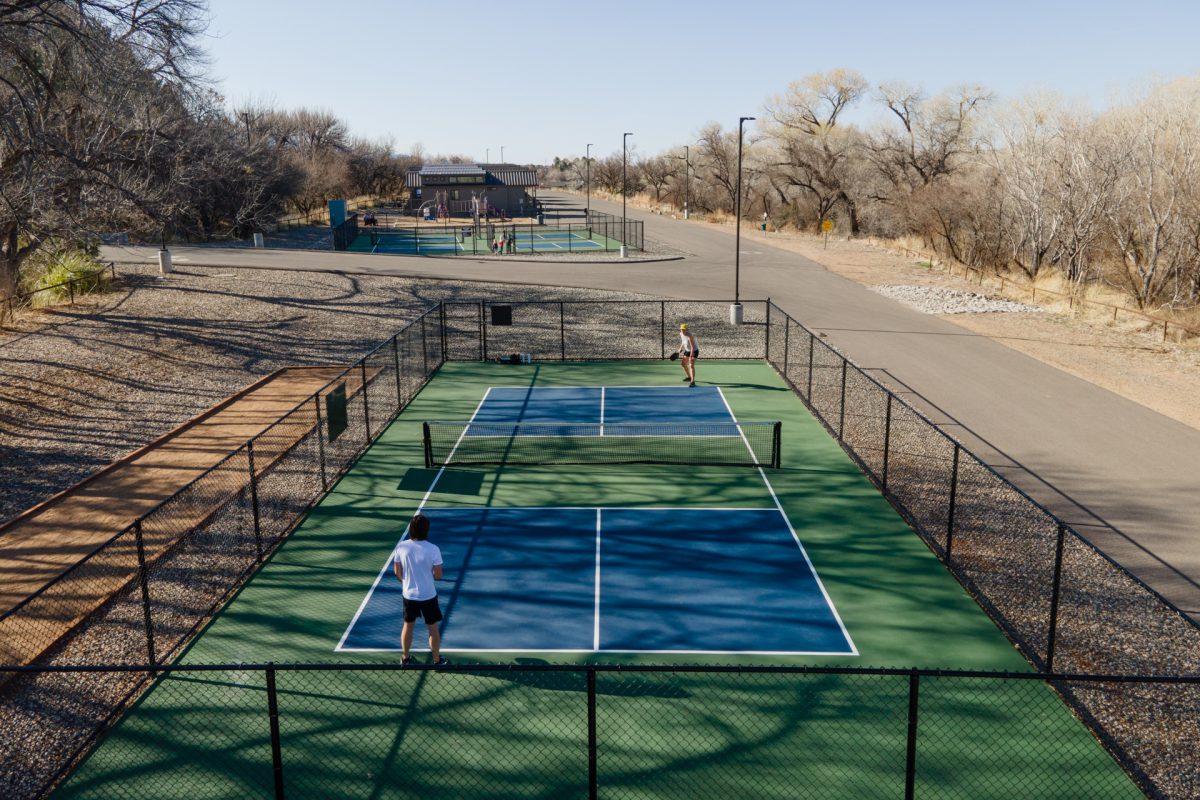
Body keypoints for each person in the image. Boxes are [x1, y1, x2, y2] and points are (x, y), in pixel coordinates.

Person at [392, 513, 448, 666]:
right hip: (428, 596)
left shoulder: (401, 546)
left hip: (409, 596)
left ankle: (405, 659)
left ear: (411, 529)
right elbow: (438, 575)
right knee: (433, 629)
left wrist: (407, 583)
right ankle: (437, 661)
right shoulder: (433, 549)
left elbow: (397, 572)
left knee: (408, 626)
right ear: (426, 530)